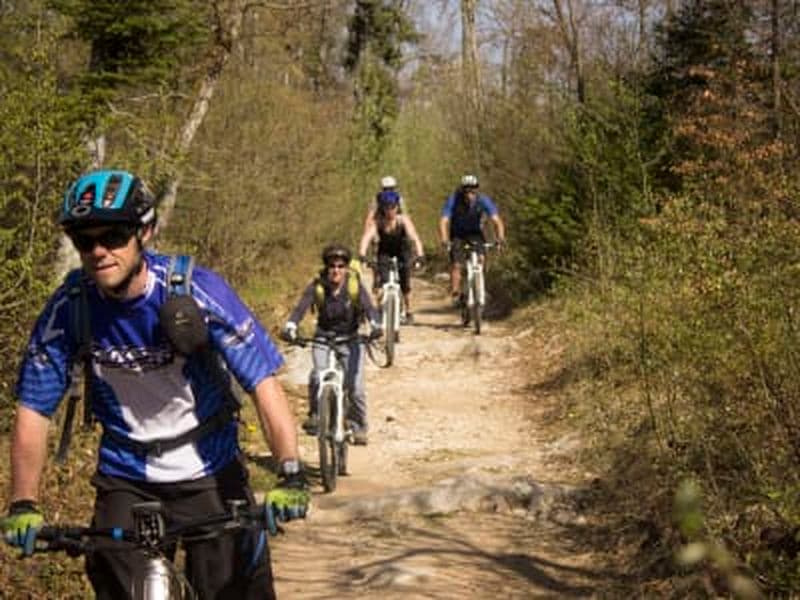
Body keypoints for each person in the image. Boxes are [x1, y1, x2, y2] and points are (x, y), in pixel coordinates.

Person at [1, 169, 308, 599]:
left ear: (145, 232)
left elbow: (262, 382)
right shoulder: (70, 308)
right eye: (84, 240)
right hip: (126, 476)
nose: (99, 251)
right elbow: (34, 408)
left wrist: (290, 470)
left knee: (236, 585)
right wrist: (23, 502)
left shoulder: (195, 291)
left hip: (209, 471)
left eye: (114, 234)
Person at [282, 244, 381, 446]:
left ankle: (358, 427)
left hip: (350, 339)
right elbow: (301, 307)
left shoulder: (354, 286)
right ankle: (316, 414)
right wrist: (291, 325)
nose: (336, 270)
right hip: (323, 337)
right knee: (318, 374)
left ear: (346, 268)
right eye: (332, 266)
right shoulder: (318, 286)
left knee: (356, 389)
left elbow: (369, 307)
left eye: (340, 266)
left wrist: (376, 325)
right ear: (327, 268)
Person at [358, 190, 425, 324]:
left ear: (397, 207)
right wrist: (362, 254)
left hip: (402, 251)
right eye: (387, 207)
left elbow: (414, 237)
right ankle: (382, 307)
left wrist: (420, 254)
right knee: (382, 280)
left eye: (393, 207)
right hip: (385, 252)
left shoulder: (402, 220)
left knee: (405, 282)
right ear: (382, 208)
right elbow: (366, 238)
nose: (390, 211)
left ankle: (408, 310)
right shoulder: (378, 222)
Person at [439, 174, 506, 304]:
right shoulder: (454, 200)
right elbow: (443, 221)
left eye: (473, 190)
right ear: (462, 190)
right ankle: (456, 292)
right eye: (467, 190)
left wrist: (500, 238)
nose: (470, 193)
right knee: (457, 264)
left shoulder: (483, 200)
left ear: (477, 190)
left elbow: (497, 221)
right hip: (457, 234)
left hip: (475, 233)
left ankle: (480, 286)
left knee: (481, 258)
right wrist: (444, 239)